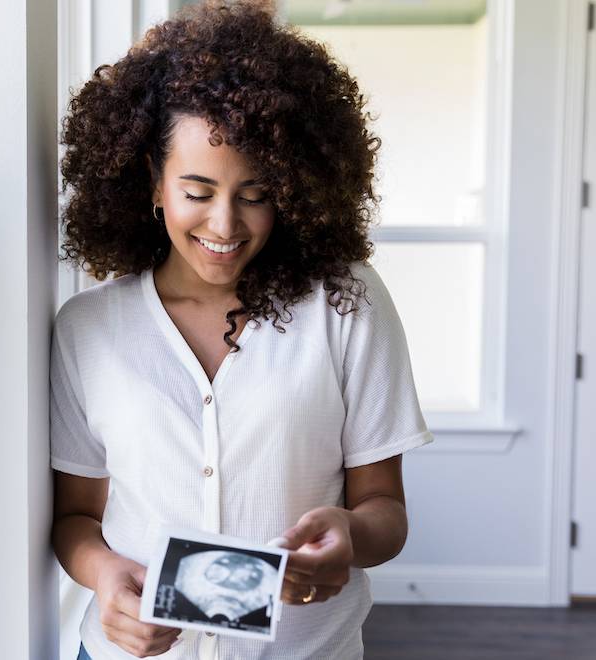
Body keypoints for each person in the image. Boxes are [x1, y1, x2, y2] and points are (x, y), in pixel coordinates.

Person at [50, 1, 434, 658]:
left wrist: (350, 531)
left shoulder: (348, 305)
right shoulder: (88, 329)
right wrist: (105, 578)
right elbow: (76, 518)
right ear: (152, 182)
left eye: (254, 194)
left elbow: (386, 512)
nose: (225, 225)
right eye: (197, 191)